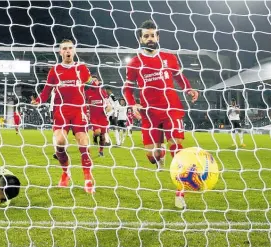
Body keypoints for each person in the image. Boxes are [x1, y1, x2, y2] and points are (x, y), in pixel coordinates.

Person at [123, 19, 199, 209]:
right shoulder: (134, 62)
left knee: (177, 146)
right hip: (149, 113)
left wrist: (188, 89)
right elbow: (127, 90)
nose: (150, 38)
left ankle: (180, 193)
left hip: (171, 109)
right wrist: (133, 105)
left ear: (158, 36)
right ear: (140, 39)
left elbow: (180, 77)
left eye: (153, 35)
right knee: (152, 154)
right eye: (146, 36)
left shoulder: (169, 57)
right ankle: (158, 155)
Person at [31, 39, 98, 193]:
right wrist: (39, 100)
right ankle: (65, 173)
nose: (68, 51)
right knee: (59, 143)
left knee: (84, 143)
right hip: (60, 111)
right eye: (64, 49)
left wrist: (95, 84)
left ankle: (88, 179)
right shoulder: (54, 70)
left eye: (70, 48)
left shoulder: (82, 68)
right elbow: (47, 89)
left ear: (73, 51)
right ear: (60, 52)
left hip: (78, 111)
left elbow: (89, 82)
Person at [85, 75, 112, 157]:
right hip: (94, 117)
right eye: (92, 81)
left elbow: (107, 101)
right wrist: (86, 111)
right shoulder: (87, 92)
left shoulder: (101, 91)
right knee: (97, 132)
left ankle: (101, 151)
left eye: (95, 80)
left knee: (102, 136)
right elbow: (84, 103)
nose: (94, 82)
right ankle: (94, 137)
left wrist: (108, 106)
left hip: (102, 116)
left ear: (98, 81)